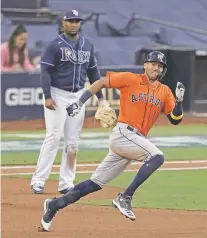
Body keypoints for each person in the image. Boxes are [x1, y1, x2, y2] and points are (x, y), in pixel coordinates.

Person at [40, 51, 185, 231]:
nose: (157, 67)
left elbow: (175, 119)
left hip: (133, 142)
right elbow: (101, 82)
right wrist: (80, 102)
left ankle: (54, 205)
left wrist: (178, 101)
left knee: (94, 184)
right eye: (153, 63)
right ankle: (125, 197)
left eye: (160, 65)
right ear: (145, 65)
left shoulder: (164, 91)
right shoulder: (130, 78)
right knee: (157, 156)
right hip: (124, 134)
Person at [30, 10, 109, 194]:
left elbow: (94, 74)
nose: (74, 24)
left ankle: (66, 182)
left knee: (73, 142)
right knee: (53, 137)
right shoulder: (55, 45)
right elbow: (45, 72)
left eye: (77, 21)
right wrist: (48, 96)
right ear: (63, 23)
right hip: (57, 94)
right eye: (71, 21)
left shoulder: (87, 45)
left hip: (77, 96)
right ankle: (38, 180)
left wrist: (101, 99)